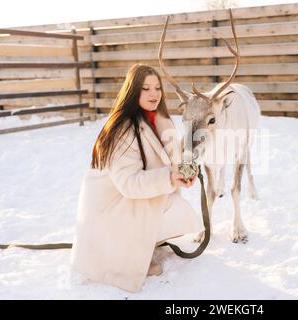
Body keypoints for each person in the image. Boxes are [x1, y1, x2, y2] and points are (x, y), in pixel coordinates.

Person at [70, 63, 203, 293]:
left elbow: (171, 162)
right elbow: (129, 184)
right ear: (133, 92)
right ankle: (123, 257)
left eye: (157, 88)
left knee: (176, 207)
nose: (154, 94)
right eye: (145, 89)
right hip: (111, 209)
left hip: (127, 202)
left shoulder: (159, 121)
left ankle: (141, 244)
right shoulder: (122, 129)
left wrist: (183, 173)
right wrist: (170, 177)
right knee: (169, 207)